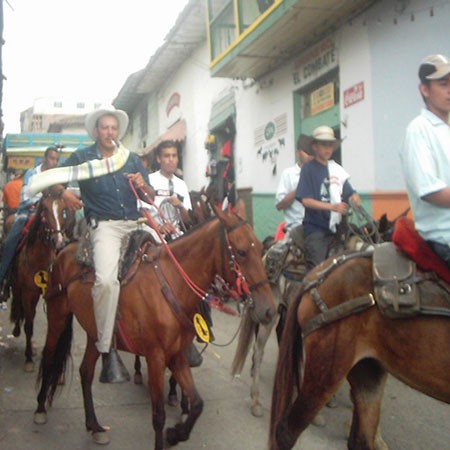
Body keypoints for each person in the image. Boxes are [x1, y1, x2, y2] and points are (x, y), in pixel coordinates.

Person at [58, 106, 158, 382]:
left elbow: (150, 197)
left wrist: (143, 185)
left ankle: (189, 338)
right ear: (96, 131)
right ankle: (106, 347)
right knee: (105, 281)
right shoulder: (82, 157)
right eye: (105, 127)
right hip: (105, 226)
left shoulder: (131, 159)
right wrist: (64, 192)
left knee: (178, 256)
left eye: (113, 128)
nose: (110, 132)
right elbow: (51, 180)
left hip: (136, 222)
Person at [400, 54, 450, 268]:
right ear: (425, 90)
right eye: (443, 84)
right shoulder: (419, 129)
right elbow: (430, 191)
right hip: (443, 237)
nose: (449, 89)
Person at [296, 125, 361, 270]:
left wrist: (354, 198)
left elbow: (349, 192)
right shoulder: (308, 169)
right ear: (315, 147)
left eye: (330, 145)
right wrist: (332, 207)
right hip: (316, 228)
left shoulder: (337, 169)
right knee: (318, 269)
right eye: (324, 145)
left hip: (338, 227)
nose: (327, 149)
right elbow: (305, 200)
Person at [0, 147, 60, 293]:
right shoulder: (31, 174)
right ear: (45, 158)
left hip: (48, 212)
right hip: (29, 212)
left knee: (63, 231)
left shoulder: (56, 176)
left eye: (56, 159)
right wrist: (40, 202)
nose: (54, 162)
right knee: (11, 240)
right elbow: (25, 197)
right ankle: (3, 277)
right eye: (52, 158)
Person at [149, 140, 192, 236]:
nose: (171, 159)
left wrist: (180, 206)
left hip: (176, 234)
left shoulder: (181, 184)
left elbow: (187, 219)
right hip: (153, 233)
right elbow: (143, 212)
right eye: (167, 156)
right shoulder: (149, 180)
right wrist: (159, 227)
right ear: (158, 159)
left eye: (174, 156)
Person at [275, 139, 313, 233]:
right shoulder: (288, 174)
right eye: (306, 151)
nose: (309, 155)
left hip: (318, 227)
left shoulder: (320, 173)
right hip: (296, 228)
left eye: (312, 152)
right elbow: (279, 205)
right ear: (298, 153)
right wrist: (300, 187)